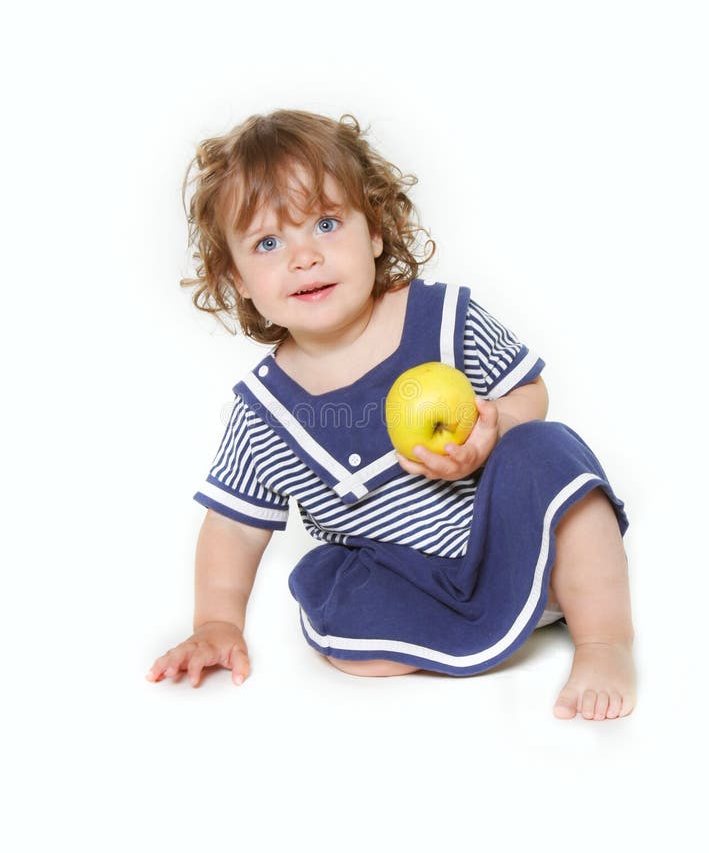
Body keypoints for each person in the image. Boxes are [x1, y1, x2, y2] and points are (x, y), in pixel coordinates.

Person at [146, 109, 636, 720]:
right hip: (412, 577)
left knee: (550, 449)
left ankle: (602, 638)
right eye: (268, 242)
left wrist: (495, 430)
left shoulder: (444, 319)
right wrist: (216, 621)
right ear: (237, 278)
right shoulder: (262, 413)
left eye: (326, 223)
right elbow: (234, 528)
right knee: (342, 619)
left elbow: (529, 390)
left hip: (512, 540)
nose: (304, 256)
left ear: (375, 231)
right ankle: (472, 623)